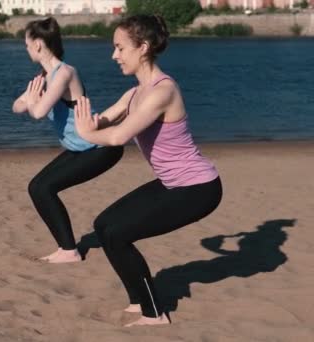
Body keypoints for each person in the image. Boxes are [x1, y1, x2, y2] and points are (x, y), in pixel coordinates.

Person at [74, 15, 223, 326]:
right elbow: (104, 122)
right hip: (172, 184)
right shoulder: (134, 94)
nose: (114, 55)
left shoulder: (162, 92)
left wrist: (90, 134)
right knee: (103, 225)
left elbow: (117, 137)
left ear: (142, 47)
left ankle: (154, 314)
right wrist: (79, 117)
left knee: (118, 234)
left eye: (119, 48)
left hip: (198, 189)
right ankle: (138, 299)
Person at [12, 17, 123, 264]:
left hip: (99, 147)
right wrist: (29, 100)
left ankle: (69, 250)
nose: (26, 48)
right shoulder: (44, 76)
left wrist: (32, 102)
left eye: (27, 43)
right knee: (38, 187)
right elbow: (17, 105)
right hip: (80, 148)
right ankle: (67, 248)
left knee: (43, 188)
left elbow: (38, 112)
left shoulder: (65, 73)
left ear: (38, 44)